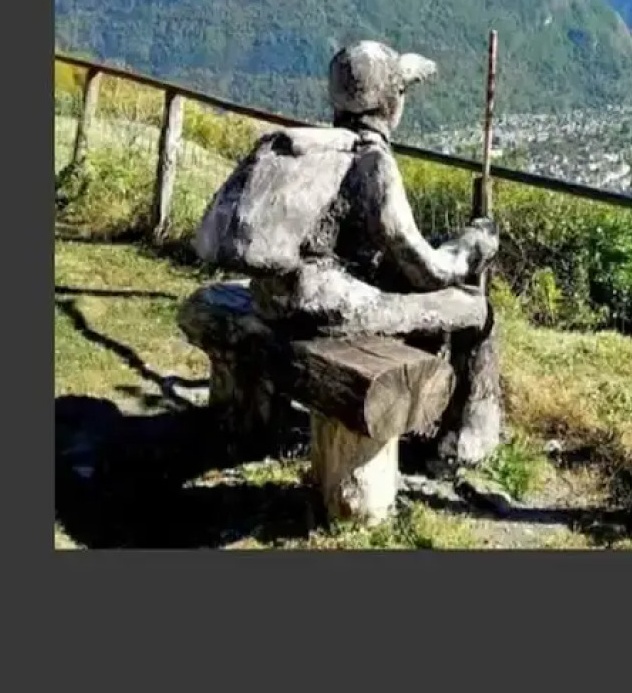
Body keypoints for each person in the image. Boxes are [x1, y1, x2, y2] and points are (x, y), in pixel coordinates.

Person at [194, 40, 502, 466]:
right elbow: (426, 271)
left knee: (405, 300)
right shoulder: (373, 163)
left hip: (271, 301)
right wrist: (471, 248)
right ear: (393, 102)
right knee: (474, 309)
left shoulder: (313, 147)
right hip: (324, 314)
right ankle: (467, 439)